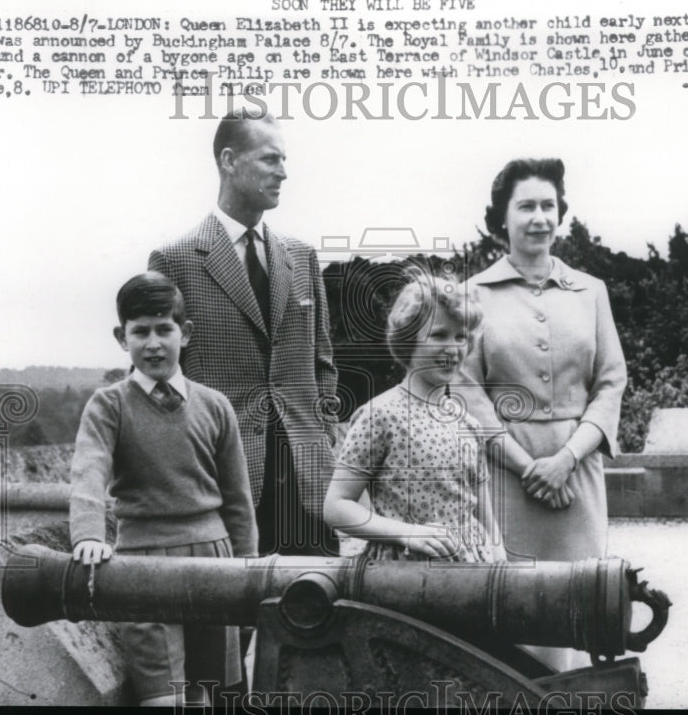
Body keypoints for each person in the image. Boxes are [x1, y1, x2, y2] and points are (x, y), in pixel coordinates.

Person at [457, 158, 627, 669]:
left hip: (578, 476)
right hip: (508, 479)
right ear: (501, 219)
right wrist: (528, 467)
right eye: (526, 206)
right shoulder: (474, 295)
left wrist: (567, 459)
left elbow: (611, 382)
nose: (539, 218)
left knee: (583, 600)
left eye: (548, 206)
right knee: (513, 605)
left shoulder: (591, 291)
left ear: (561, 214)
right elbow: (467, 391)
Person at [149, 112, 339, 557]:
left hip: (307, 479)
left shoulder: (301, 256)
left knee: (317, 606)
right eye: (270, 159)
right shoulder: (176, 260)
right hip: (224, 478)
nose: (284, 172)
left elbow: (322, 361)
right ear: (229, 161)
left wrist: (325, 432)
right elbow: (160, 379)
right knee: (236, 613)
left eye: (284, 160)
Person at [69, 271, 258, 707]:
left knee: (208, 696)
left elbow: (238, 500)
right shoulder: (109, 404)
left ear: (184, 333)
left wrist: (247, 577)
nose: (152, 343)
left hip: (215, 562)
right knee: (161, 698)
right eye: (140, 332)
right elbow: (88, 471)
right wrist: (89, 535)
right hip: (142, 565)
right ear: (122, 337)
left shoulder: (215, 405)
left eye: (163, 329)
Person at [324, 275, 506, 563]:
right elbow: (336, 506)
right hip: (403, 574)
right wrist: (407, 533)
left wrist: (501, 568)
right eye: (438, 335)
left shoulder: (467, 423)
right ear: (408, 340)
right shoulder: (380, 416)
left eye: (461, 337)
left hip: (472, 572)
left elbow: (486, 518)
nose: (453, 348)